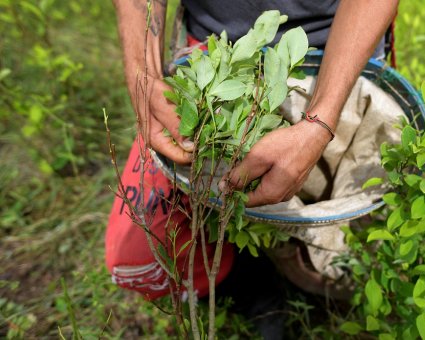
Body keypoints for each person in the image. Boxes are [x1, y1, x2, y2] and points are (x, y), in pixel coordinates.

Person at [105, 0, 398, 337]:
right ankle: (256, 290)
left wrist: (319, 122)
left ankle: (303, 271)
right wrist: (142, 74)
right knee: (139, 257)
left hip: (336, 53)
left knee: (351, 241)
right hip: (214, 58)